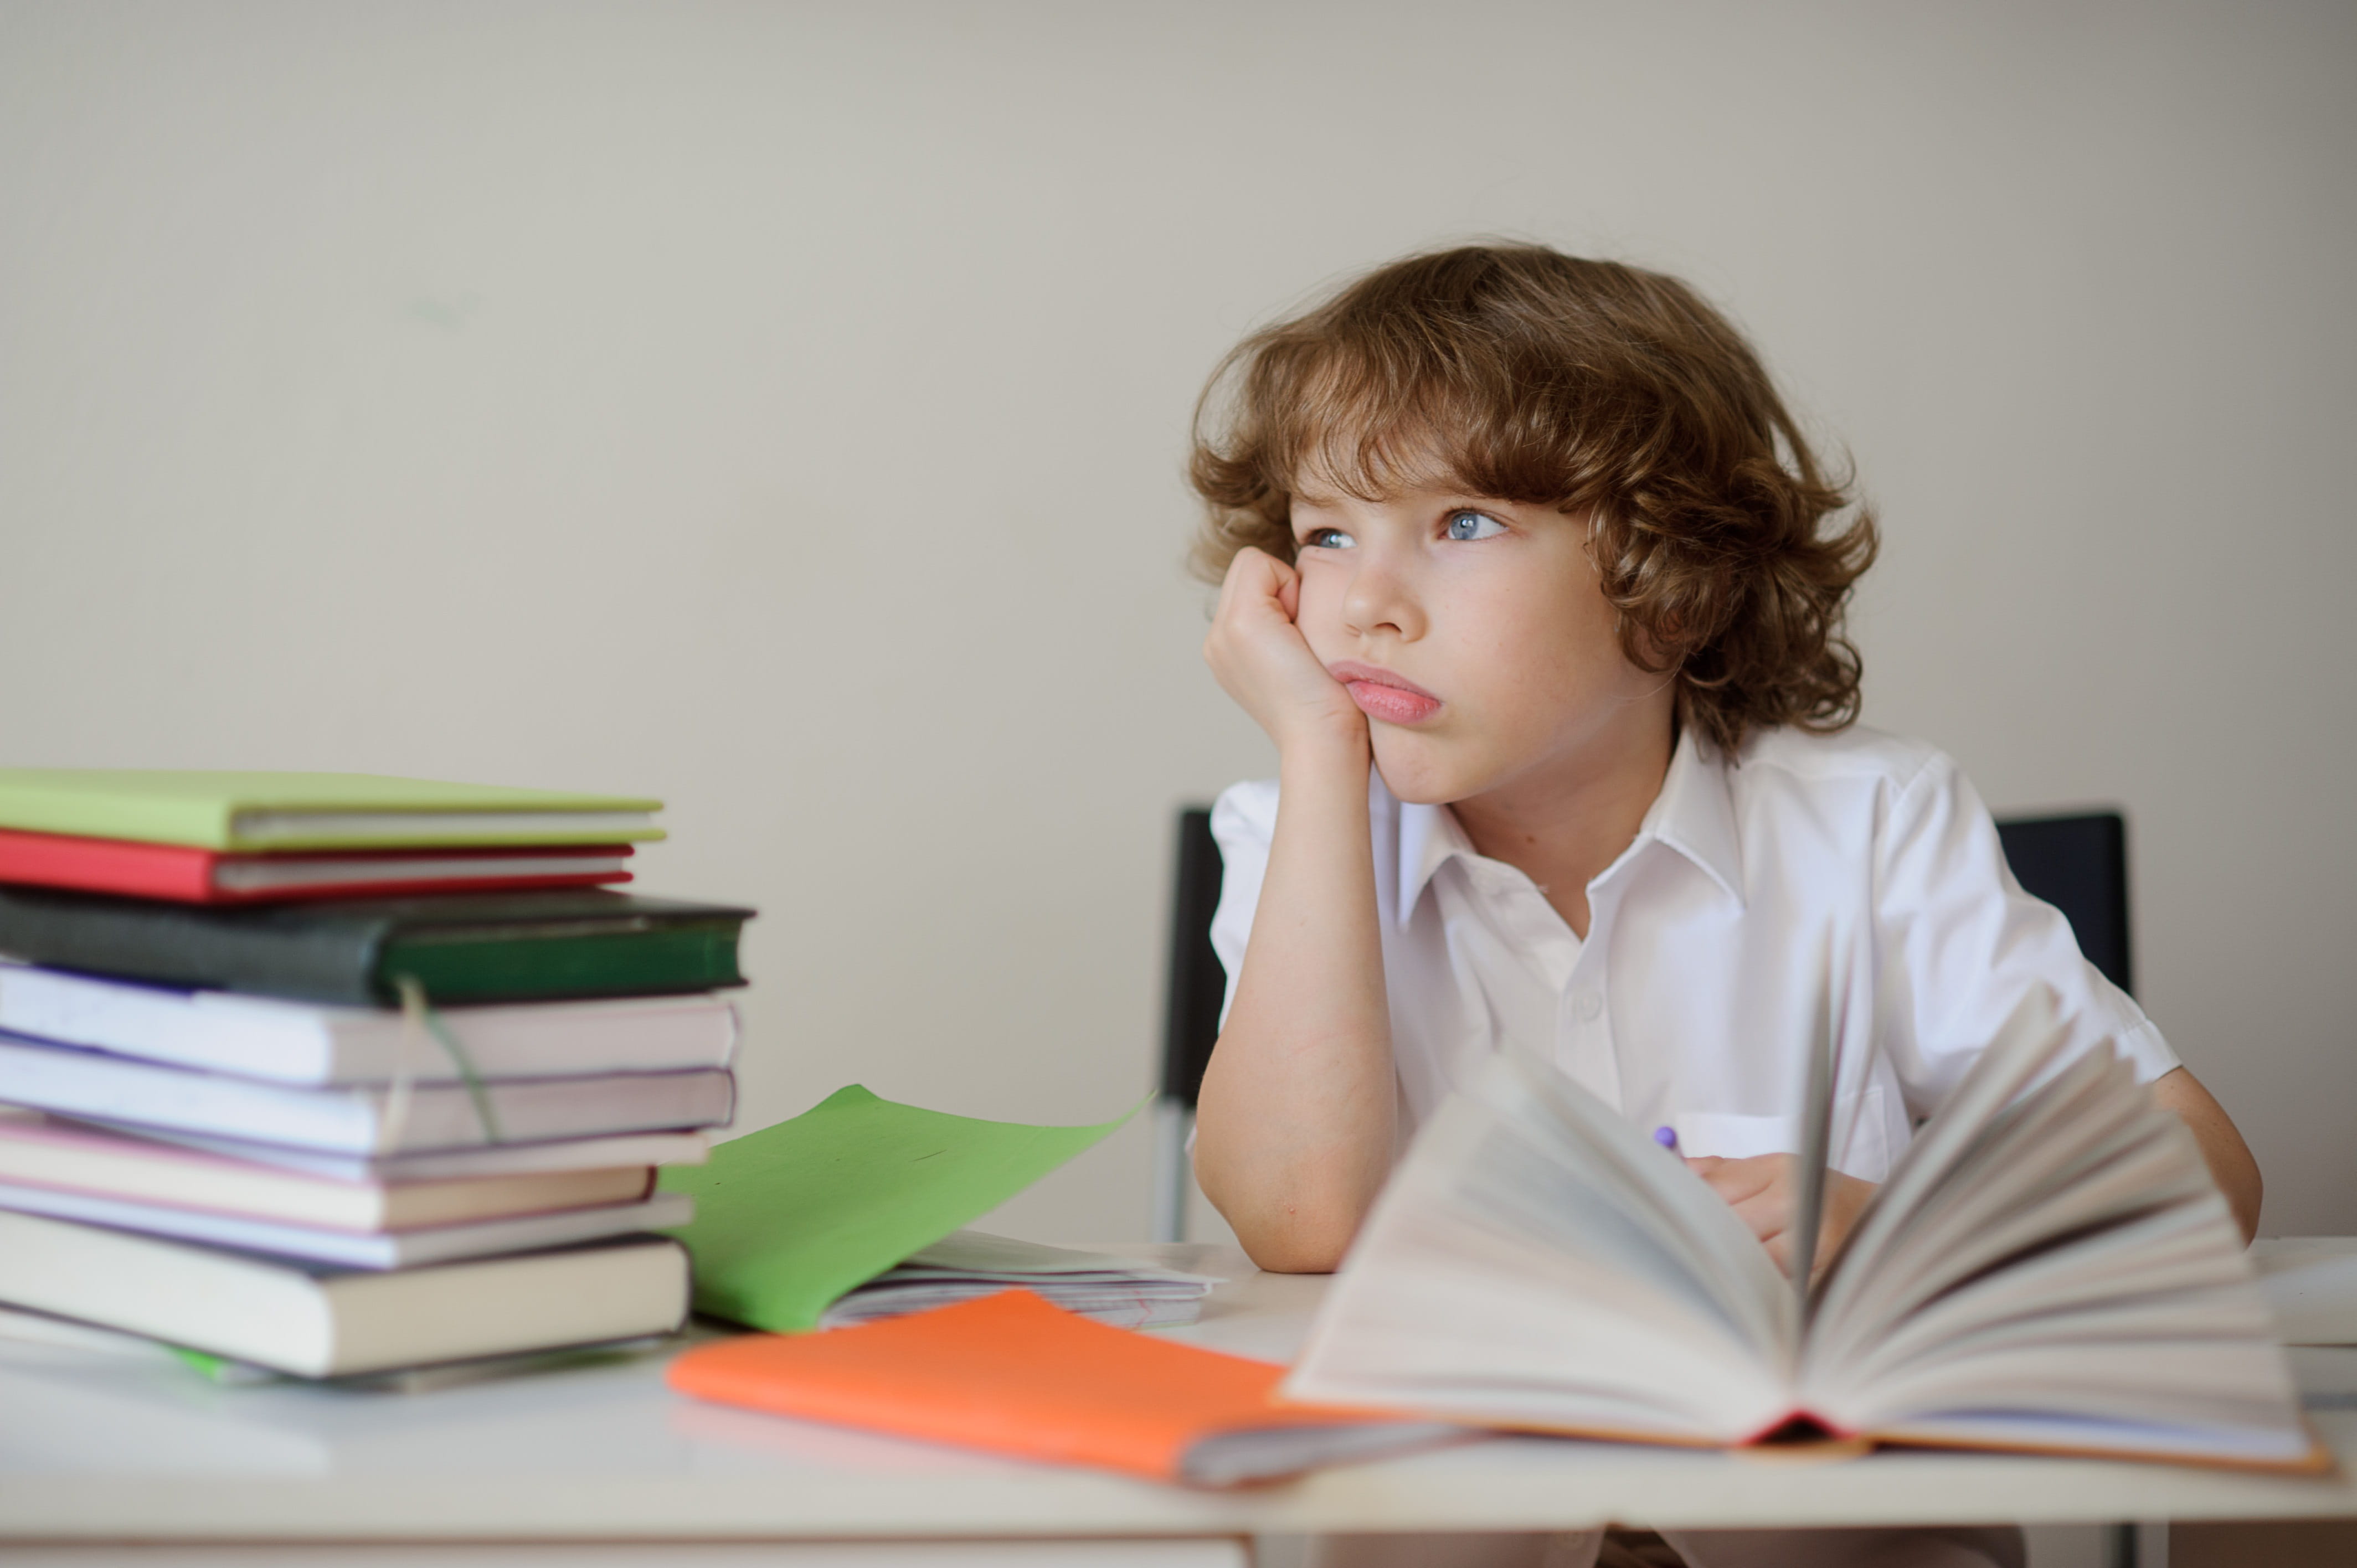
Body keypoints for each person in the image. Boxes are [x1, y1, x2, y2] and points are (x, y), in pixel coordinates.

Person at [1186, 244, 2262, 1568]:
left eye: (1462, 524)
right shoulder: (1297, 835)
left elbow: (2205, 1176)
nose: (1364, 606)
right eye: (1324, 536)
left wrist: (1911, 1231)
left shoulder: (1870, 825)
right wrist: (1311, 746)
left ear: (1669, 575)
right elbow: (1298, 1219)